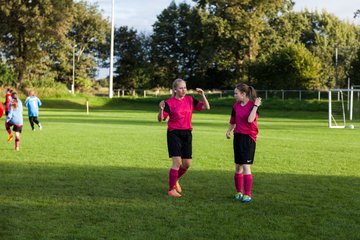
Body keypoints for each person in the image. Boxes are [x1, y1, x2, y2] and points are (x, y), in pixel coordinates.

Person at [158, 79, 210, 197]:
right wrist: (161, 110)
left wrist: (202, 95)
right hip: (174, 133)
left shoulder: (190, 100)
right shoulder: (169, 103)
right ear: (175, 90)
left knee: (187, 164)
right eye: (181, 88)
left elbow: (206, 107)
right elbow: (161, 119)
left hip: (187, 134)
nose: (184, 90)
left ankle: (175, 179)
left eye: (185, 87)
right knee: (177, 163)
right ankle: (171, 189)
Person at [226, 83, 262, 203]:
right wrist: (229, 131)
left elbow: (250, 119)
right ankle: (238, 192)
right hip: (238, 138)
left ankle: (247, 194)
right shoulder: (236, 106)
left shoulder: (253, 105)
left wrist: (256, 106)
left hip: (249, 138)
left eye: (236, 93)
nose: (234, 95)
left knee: (246, 166)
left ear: (243, 94)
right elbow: (233, 120)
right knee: (238, 167)